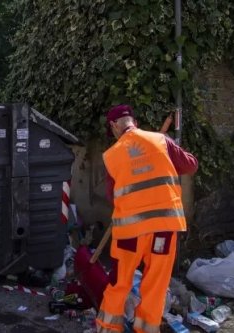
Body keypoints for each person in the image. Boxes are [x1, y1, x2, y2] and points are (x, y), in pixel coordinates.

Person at [96, 104, 198, 333]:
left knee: (119, 282)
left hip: (129, 234)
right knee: (155, 284)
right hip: (163, 229)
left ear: (114, 126)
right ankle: (147, 329)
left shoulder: (112, 155)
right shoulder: (161, 141)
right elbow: (190, 165)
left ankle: (108, 328)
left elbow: (112, 196)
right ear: (134, 122)